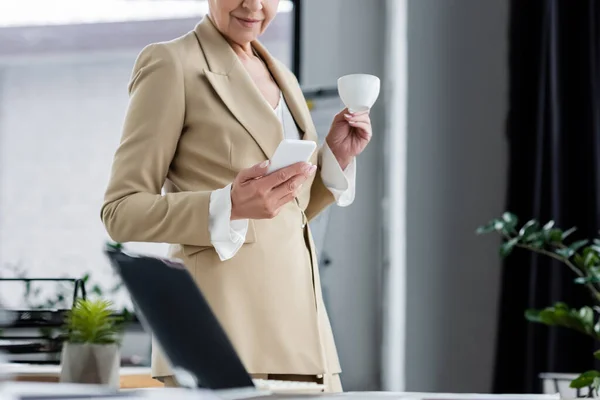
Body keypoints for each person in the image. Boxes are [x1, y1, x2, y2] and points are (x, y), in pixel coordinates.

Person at [100, 0, 372, 393]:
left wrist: (335, 160)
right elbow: (120, 210)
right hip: (220, 335)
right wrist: (226, 204)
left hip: (305, 338)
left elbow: (283, 213)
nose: (253, 5)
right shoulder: (171, 64)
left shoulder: (285, 78)